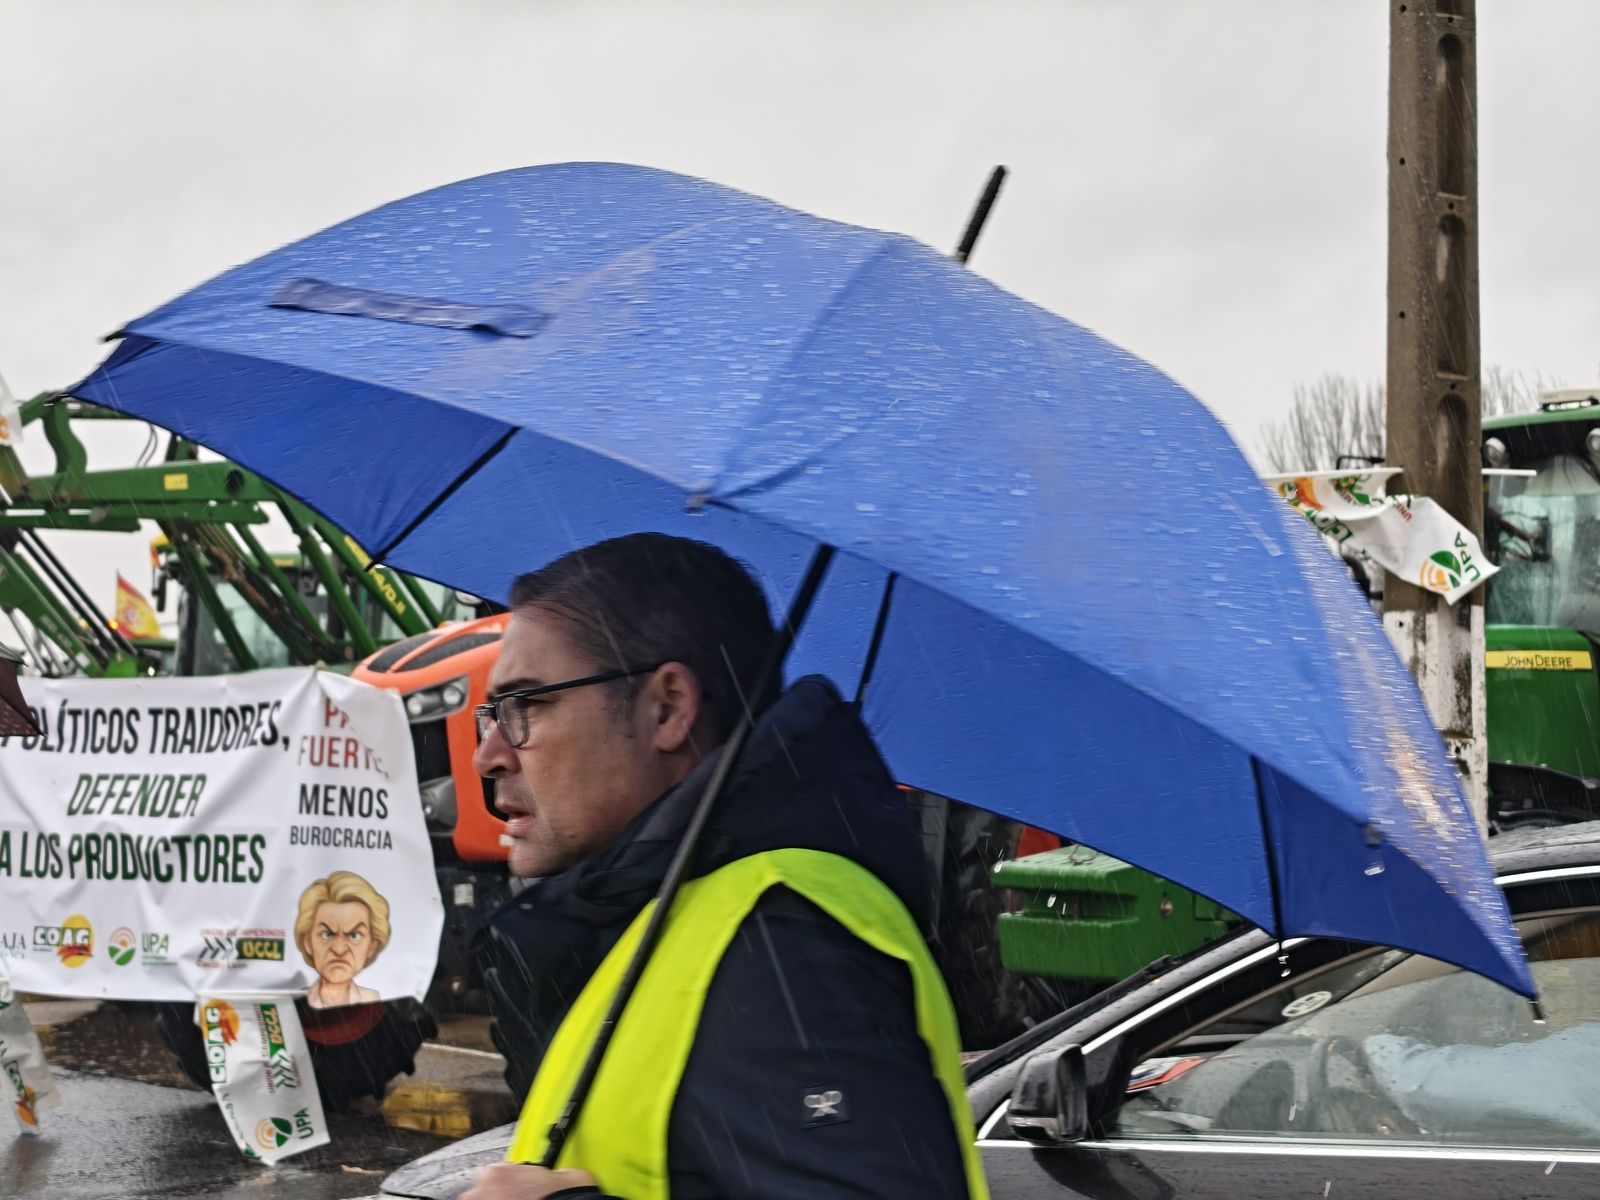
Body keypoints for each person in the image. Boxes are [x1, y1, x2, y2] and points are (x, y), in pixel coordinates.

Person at [462, 533, 986, 1200]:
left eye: (526, 705)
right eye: (492, 714)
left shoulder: (783, 945)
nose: (488, 755)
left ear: (668, 708)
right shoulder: (670, 917)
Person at [295, 871, 389, 1009]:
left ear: (371, 946)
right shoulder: (295, 1001)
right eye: (327, 934)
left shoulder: (373, 1000)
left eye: (354, 936)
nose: (339, 949)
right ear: (308, 942)